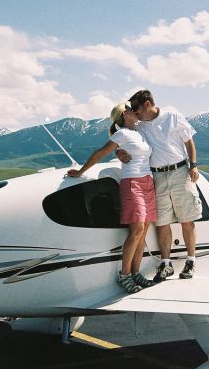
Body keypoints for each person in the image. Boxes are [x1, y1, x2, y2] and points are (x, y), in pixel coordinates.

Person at [67, 101, 156, 293]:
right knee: (137, 229)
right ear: (125, 114)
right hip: (132, 183)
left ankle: (136, 273)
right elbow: (100, 152)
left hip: (148, 183)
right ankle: (124, 276)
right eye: (131, 107)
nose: (135, 108)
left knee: (143, 230)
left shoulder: (140, 132)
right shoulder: (121, 134)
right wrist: (81, 171)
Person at [117, 89, 202, 283]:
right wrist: (119, 153)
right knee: (162, 222)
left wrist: (194, 165)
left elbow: (189, 142)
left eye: (136, 109)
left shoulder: (173, 117)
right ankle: (166, 264)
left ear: (147, 104)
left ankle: (191, 261)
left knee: (187, 219)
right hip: (156, 176)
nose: (135, 114)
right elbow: (122, 138)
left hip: (180, 171)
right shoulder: (139, 126)